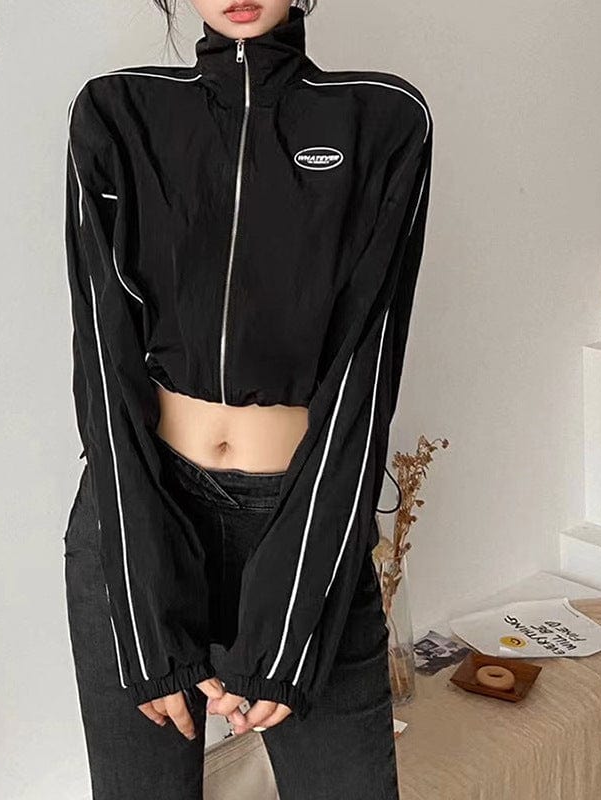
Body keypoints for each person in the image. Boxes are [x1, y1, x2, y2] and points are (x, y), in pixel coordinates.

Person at [62, 0, 433, 797]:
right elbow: (103, 362)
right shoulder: (118, 112)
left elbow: (366, 380)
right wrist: (147, 618)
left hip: (302, 516)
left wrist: (291, 619)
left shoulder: (382, 118)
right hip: (142, 512)